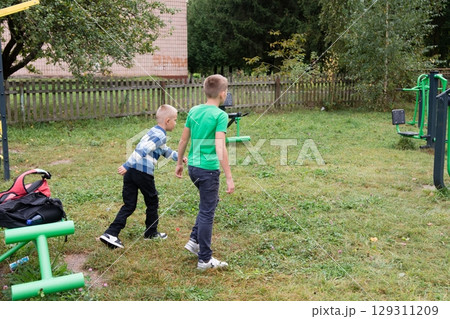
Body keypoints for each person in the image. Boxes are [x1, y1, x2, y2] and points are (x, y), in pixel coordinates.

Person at [100, 104, 186, 249]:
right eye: (175, 120)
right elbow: (142, 149)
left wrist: (179, 157)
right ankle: (151, 233)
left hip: (131, 173)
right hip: (142, 173)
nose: (176, 123)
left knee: (129, 205)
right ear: (167, 121)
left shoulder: (154, 132)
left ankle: (111, 233)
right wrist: (126, 165)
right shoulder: (160, 135)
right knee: (152, 201)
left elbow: (165, 151)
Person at [175, 74, 235, 271]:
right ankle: (204, 259)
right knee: (207, 211)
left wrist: (179, 163)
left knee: (209, 203)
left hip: (193, 168)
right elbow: (220, 146)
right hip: (208, 170)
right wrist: (228, 176)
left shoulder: (194, 110)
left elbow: (183, 140)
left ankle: (194, 241)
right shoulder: (220, 115)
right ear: (223, 94)